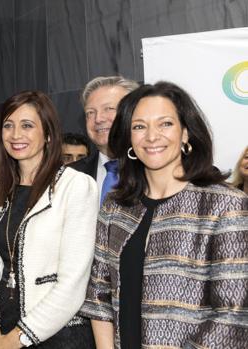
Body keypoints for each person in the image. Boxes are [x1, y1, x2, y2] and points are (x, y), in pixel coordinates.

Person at [80, 82, 248, 348]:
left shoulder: (225, 204)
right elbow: (99, 295)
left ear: (185, 133)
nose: (151, 136)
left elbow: (233, 314)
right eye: (139, 126)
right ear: (129, 138)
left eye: (165, 124)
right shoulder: (115, 207)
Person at [0, 90, 99, 348]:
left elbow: (74, 281)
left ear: (48, 134)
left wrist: (15, 339)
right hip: (2, 332)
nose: (15, 135)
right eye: (8, 126)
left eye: (27, 125)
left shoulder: (76, 186)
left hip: (60, 334)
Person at [70, 76, 139, 204]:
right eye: (90, 112)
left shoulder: (153, 171)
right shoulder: (70, 175)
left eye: (109, 108)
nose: (98, 119)